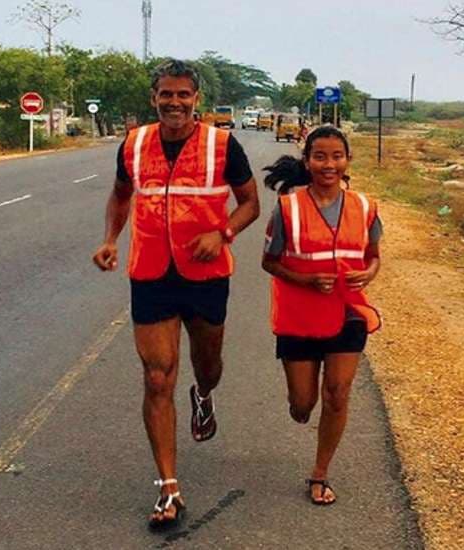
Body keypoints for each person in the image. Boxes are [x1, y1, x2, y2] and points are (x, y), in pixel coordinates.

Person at [92, 59, 260, 529]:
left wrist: (223, 233)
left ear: (196, 99)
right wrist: (110, 238)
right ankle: (168, 488)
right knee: (156, 377)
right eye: (166, 94)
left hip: (206, 275)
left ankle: (204, 394)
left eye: (183, 95)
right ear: (154, 98)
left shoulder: (223, 146)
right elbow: (121, 193)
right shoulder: (134, 143)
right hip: (150, 273)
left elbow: (250, 203)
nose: (174, 103)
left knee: (209, 366)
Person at [261, 126, 383, 505]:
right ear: (307, 161)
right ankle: (300, 406)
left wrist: (370, 272)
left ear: (347, 161)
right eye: (320, 157)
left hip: (348, 312)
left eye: (336, 156)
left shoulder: (366, 207)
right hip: (300, 316)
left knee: (337, 394)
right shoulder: (287, 208)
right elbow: (268, 262)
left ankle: (320, 473)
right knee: (303, 404)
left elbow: (374, 255)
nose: (329, 164)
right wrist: (306, 279)